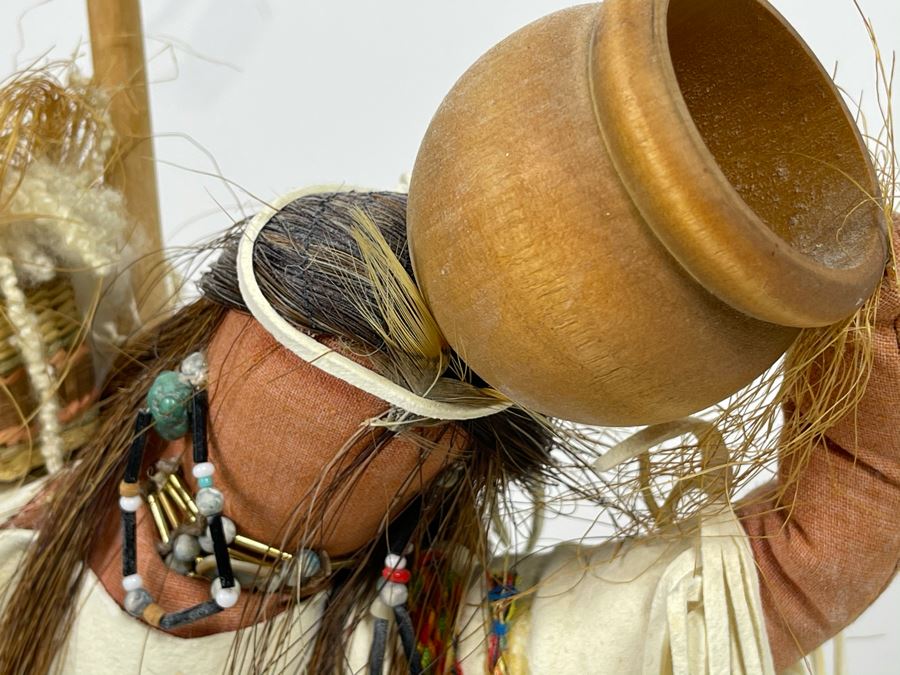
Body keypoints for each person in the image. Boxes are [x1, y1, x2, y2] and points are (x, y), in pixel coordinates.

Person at [0, 187, 896, 674]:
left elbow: (782, 572)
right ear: (196, 357)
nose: (328, 395)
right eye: (310, 345)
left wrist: (864, 307)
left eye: (395, 424)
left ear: (445, 467)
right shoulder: (23, 549)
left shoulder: (440, 640)